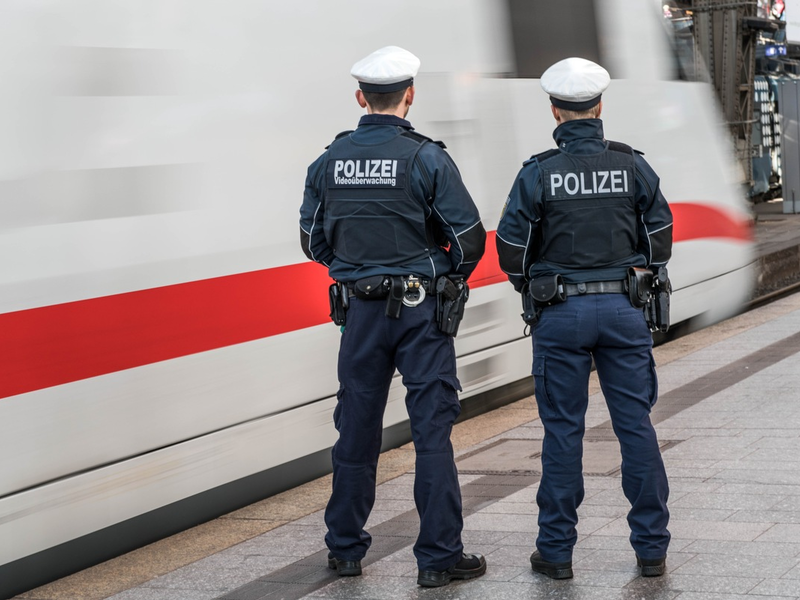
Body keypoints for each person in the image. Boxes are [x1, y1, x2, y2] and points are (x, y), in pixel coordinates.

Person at [299, 46, 487, 588]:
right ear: (410, 96)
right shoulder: (427, 158)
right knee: (432, 431)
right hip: (419, 311)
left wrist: (351, 268)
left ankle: (345, 549)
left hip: (358, 311)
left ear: (361, 98)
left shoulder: (328, 161)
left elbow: (312, 241)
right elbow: (468, 240)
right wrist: (438, 271)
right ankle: (438, 558)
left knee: (355, 427)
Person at [496, 57, 673, 579]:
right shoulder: (632, 165)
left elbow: (510, 247)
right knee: (635, 429)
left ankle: (555, 553)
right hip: (624, 311)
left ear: (555, 111)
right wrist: (640, 270)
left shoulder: (538, 172)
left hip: (560, 314)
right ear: (600, 107)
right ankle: (651, 550)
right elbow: (660, 232)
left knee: (562, 433)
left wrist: (533, 285)